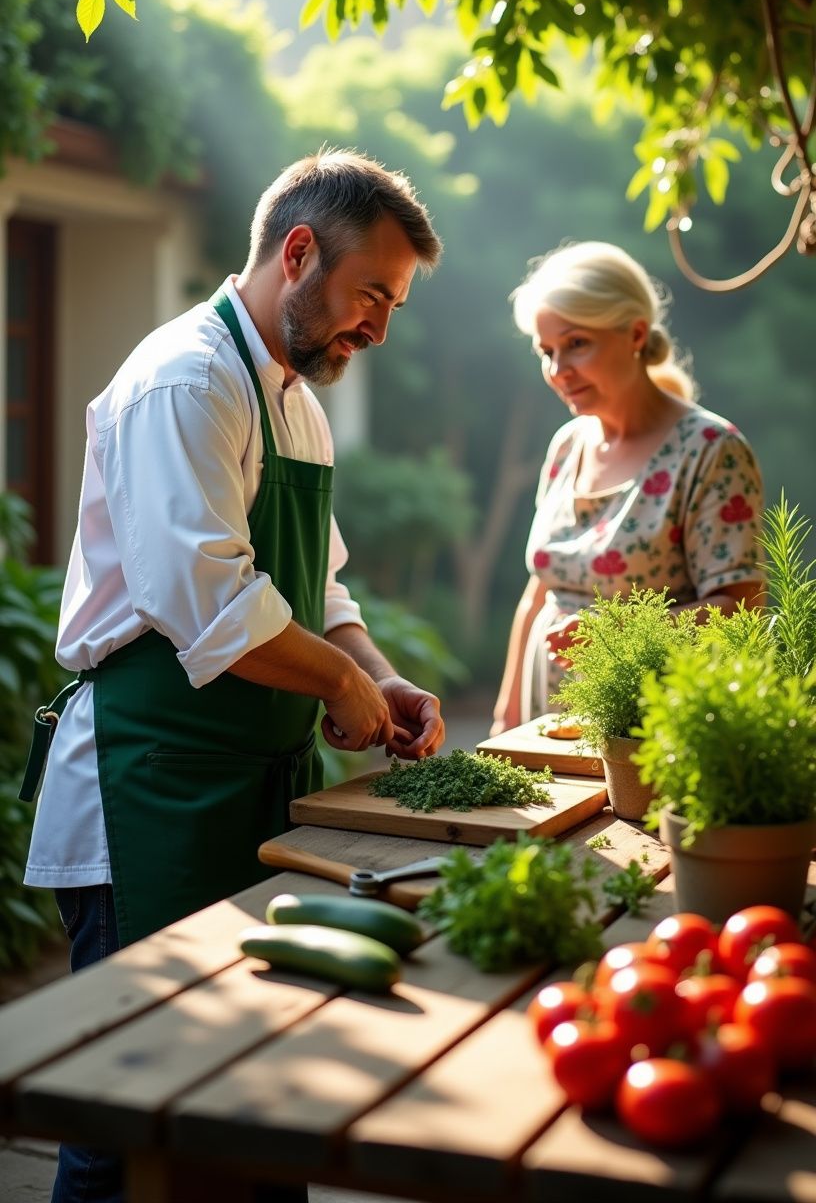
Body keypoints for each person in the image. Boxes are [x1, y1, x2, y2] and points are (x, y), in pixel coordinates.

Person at [20, 148, 446, 1203]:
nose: (378, 327)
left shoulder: (294, 399)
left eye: (391, 305)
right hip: (147, 785)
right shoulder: (185, 381)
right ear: (298, 253)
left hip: (247, 786)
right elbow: (212, 606)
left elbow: (320, 590)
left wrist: (377, 677)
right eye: (369, 296)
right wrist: (338, 692)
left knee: (254, 1100)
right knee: (126, 1115)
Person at [492, 240, 764, 734]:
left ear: (635, 332)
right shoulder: (568, 445)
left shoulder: (710, 449)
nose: (557, 371)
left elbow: (740, 607)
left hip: (650, 731)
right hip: (543, 721)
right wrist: (506, 718)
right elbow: (541, 588)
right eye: (547, 351)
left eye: (576, 344)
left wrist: (620, 633)